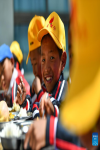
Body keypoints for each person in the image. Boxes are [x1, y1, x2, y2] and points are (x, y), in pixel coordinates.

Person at [17, 12, 68, 119]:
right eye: (43, 59)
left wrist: (40, 93)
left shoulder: (65, 90)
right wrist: (24, 103)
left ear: (63, 61)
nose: (46, 68)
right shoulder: (46, 88)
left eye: (52, 58)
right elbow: (34, 107)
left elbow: (58, 112)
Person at [0, 44, 31, 110]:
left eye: (3, 70)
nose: (1, 78)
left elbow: (29, 106)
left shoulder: (20, 83)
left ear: (12, 62)